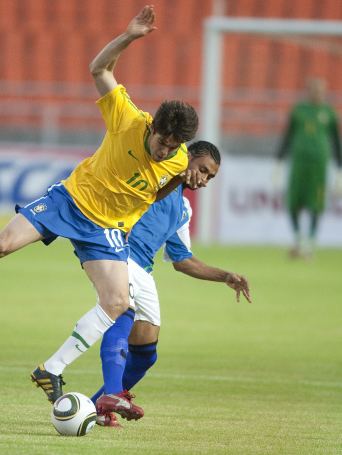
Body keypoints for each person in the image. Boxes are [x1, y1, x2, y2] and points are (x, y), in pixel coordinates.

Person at [0, 4, 199, 409]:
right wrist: (129, 37)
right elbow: (99, 69)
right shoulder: (128, 118)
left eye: (173, 147)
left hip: (107, 230)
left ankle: (51, 369)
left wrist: (155, 195)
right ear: (153, 127)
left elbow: (153, 192)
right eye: (162, 143)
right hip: (69, 201)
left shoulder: (178, 159)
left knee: (117, 302)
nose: (165, 151)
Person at [91, 141, 252, 427]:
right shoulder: (156, 173)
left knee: (144, 353)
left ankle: (94, 408)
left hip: (144, 270)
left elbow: (182, 260)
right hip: (120, 254)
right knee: (122, 312)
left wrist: (225, 276)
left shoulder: (183, 209)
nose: (203, 180)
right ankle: (112, 395)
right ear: (186, 156)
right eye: (202, 170)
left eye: (210, 177)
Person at [276, 77, 342, 260]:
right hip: (299, 164)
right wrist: (279, 160)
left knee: (316, 203)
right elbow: (287, 136)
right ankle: (298, 238)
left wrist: (340, 167)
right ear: (308, 91)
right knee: (293, 201)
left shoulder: (329, 113)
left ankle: (310, 241)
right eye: (314, 90)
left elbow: (337, 141)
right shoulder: (298, 111)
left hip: (319, 165)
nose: (317, 94)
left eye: (320, 91)